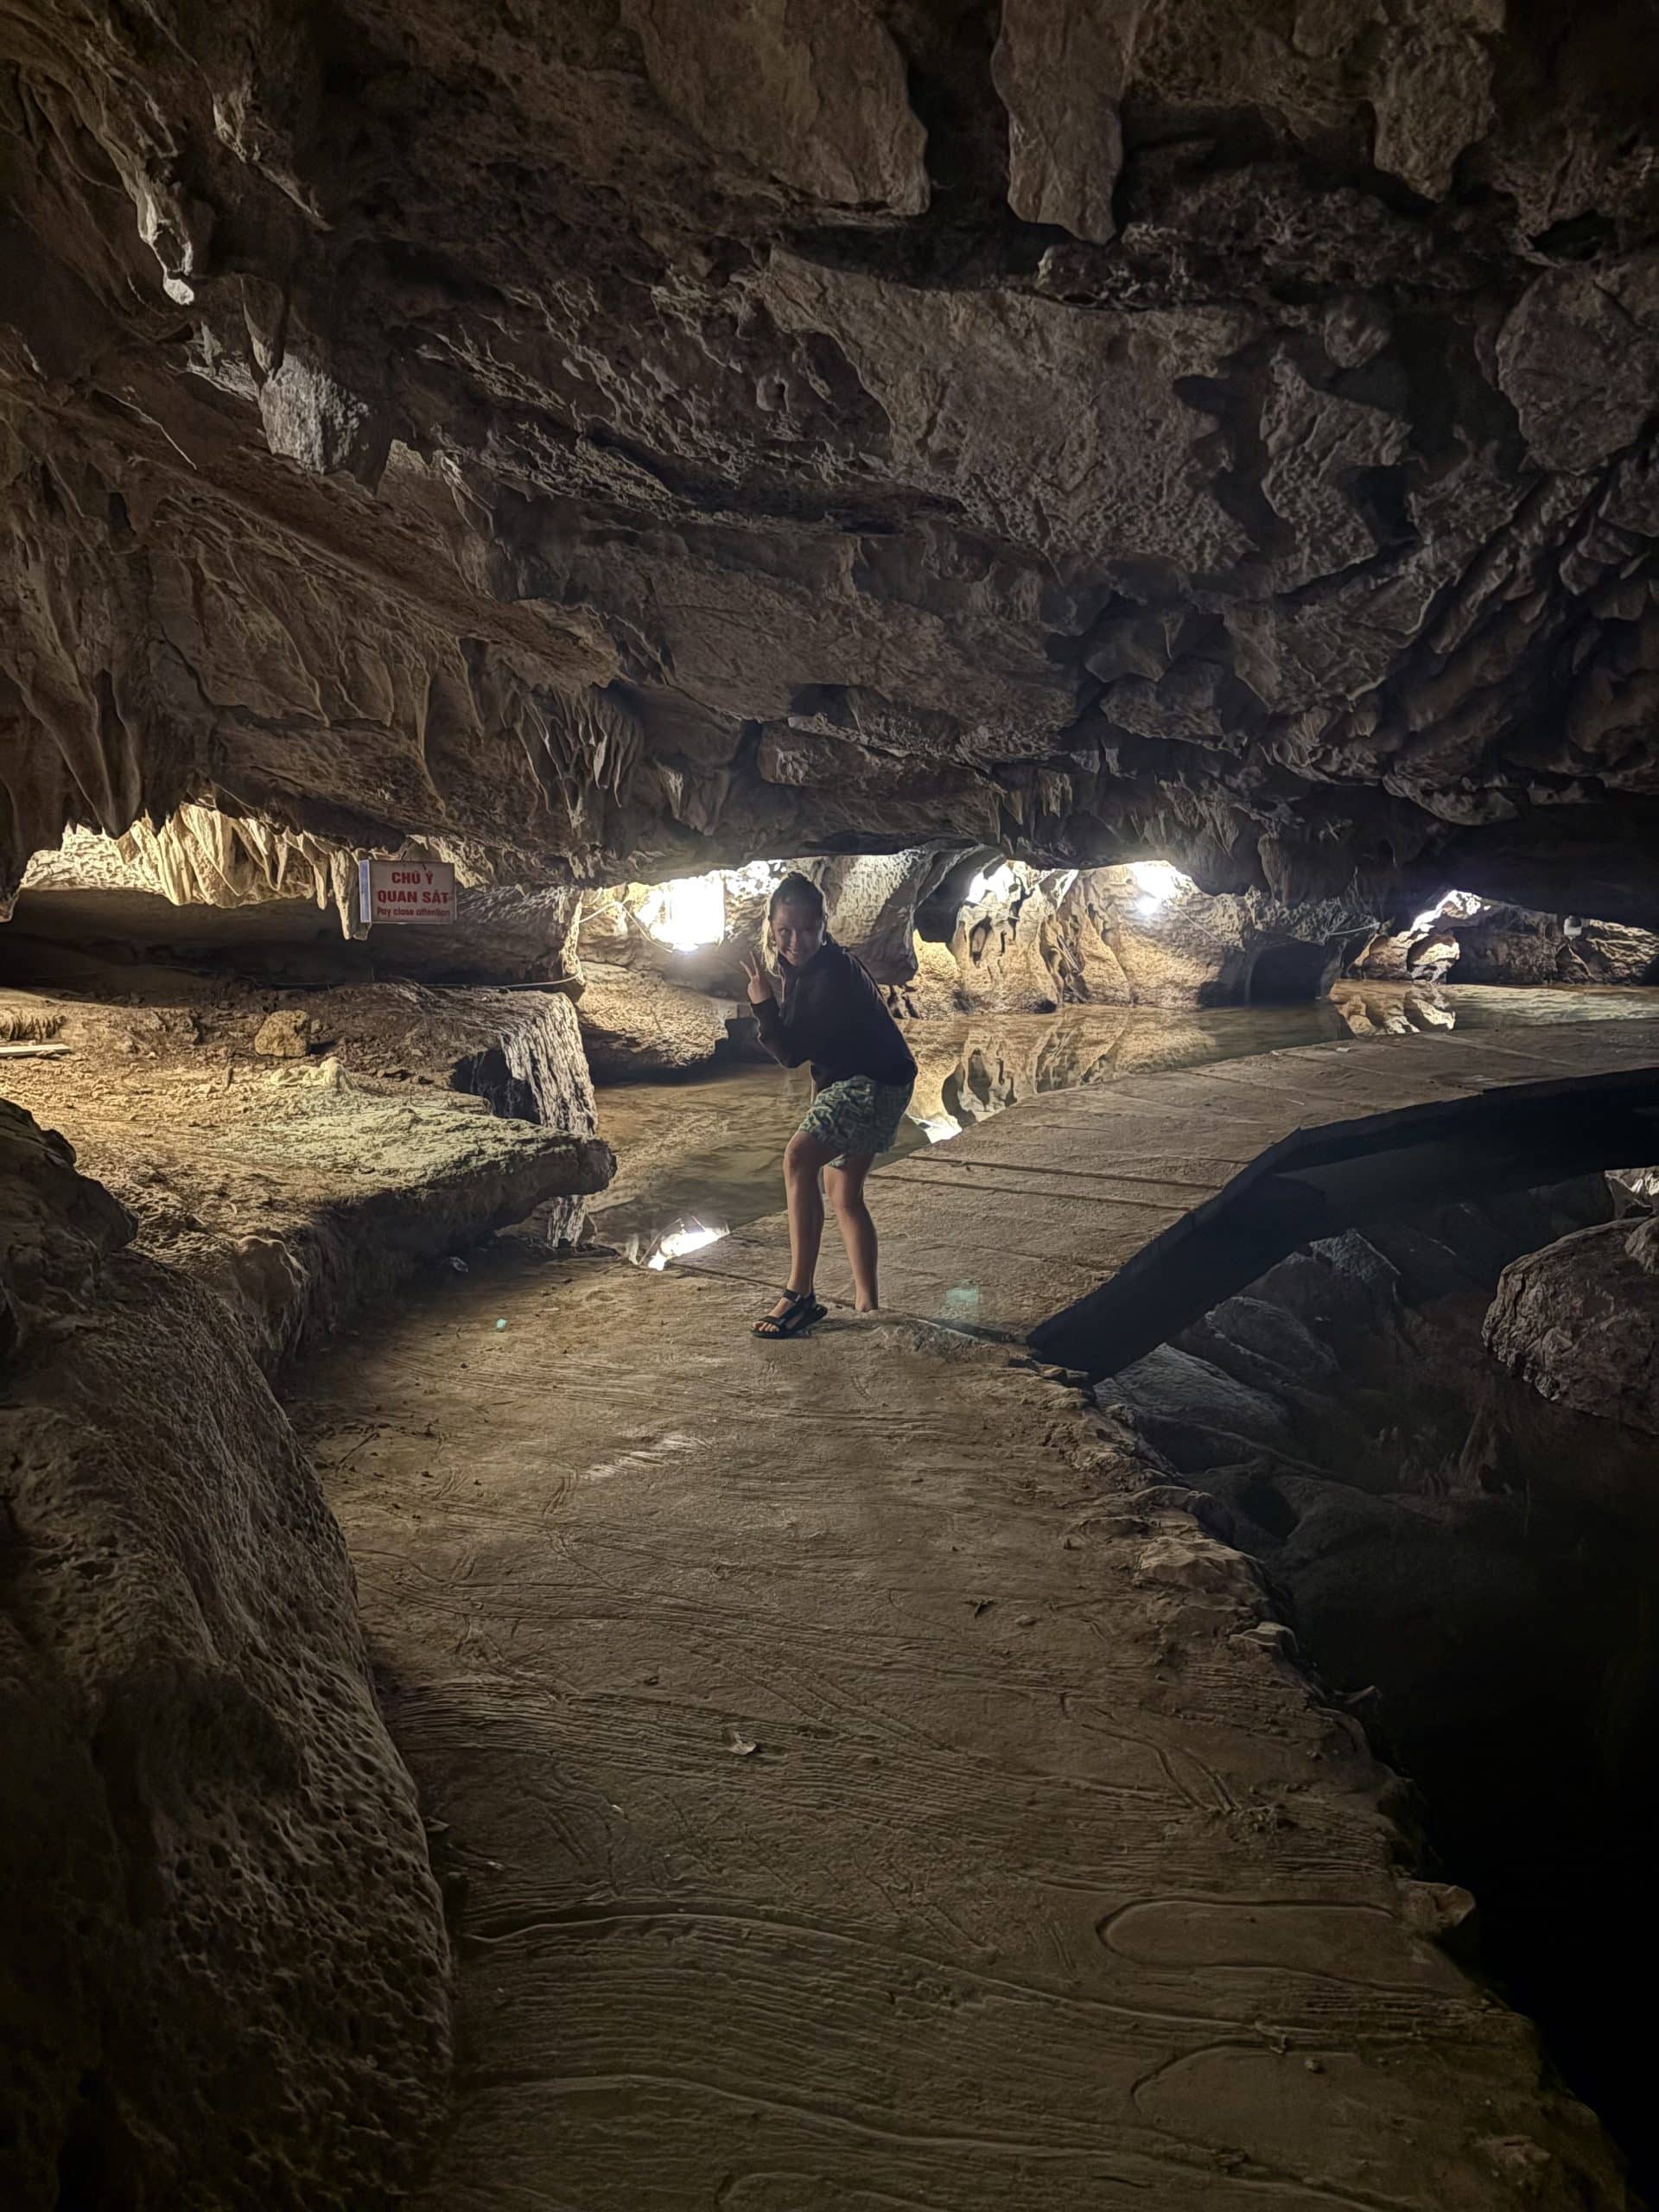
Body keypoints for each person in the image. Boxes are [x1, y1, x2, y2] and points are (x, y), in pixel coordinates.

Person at [741, 872, 917, 1338]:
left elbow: (790, 1053)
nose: (795, 941)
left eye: (806, 929)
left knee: (798, 1158)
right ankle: (868, 1307)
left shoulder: (829, 974)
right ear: (771, 926)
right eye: (785, 930)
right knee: (843, 1193)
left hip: (872, 1083)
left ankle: (799, 1294)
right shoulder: (811, 966)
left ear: (824, 925)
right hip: (885, 1077)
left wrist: (762, 1005)